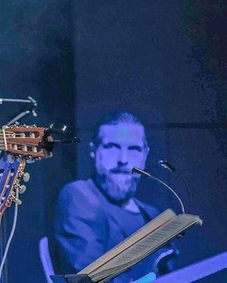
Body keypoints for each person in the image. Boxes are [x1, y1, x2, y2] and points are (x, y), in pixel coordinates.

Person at [53, 111, 177, 282]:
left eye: (133, 149)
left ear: (144, 156)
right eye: (112, 147)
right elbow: (90, 277)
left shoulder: (152, 215)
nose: (123, 159)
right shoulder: (79, 195)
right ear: (94, 151)